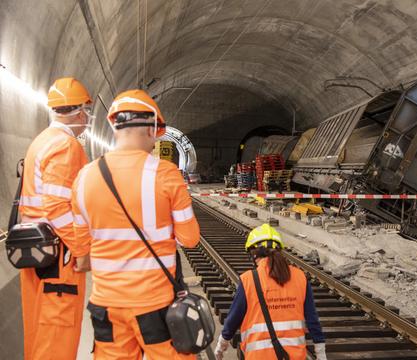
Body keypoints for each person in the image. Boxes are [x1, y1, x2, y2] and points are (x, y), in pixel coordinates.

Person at [71, 89, 200, 359]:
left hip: (106, 306)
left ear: (115, 126)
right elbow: (190, 239)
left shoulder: (84, 178)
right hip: (155, 307)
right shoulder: (165, 174)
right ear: (152, 127)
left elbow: (82, 256)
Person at [18, 77, 93, 360]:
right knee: (57, 335)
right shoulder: (67, 146)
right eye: (86, 111)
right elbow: (58, 207)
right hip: (58, 257)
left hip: (36, 252)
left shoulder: (41, 141)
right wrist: (82, 249)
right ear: (79, 112)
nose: (87, 118)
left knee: (38, 332)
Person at [214, 224, 327, 360]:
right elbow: (312, 320)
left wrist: (221, 347)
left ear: (254, 253)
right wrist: (321, 354)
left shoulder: (248, 279)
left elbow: (232, 320)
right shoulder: (300, 277)